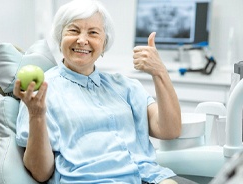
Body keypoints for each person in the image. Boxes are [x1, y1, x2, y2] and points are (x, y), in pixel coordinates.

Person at [13, 0, 197, 183]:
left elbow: (170, 130)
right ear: (60, 37)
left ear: (104, 43)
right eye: (74, 30)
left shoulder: (125, 86)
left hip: (149, 176)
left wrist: (160, 73)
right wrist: (36, 115)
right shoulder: (41, 92)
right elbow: (41, 173)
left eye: (93, 33)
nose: (82, 40)